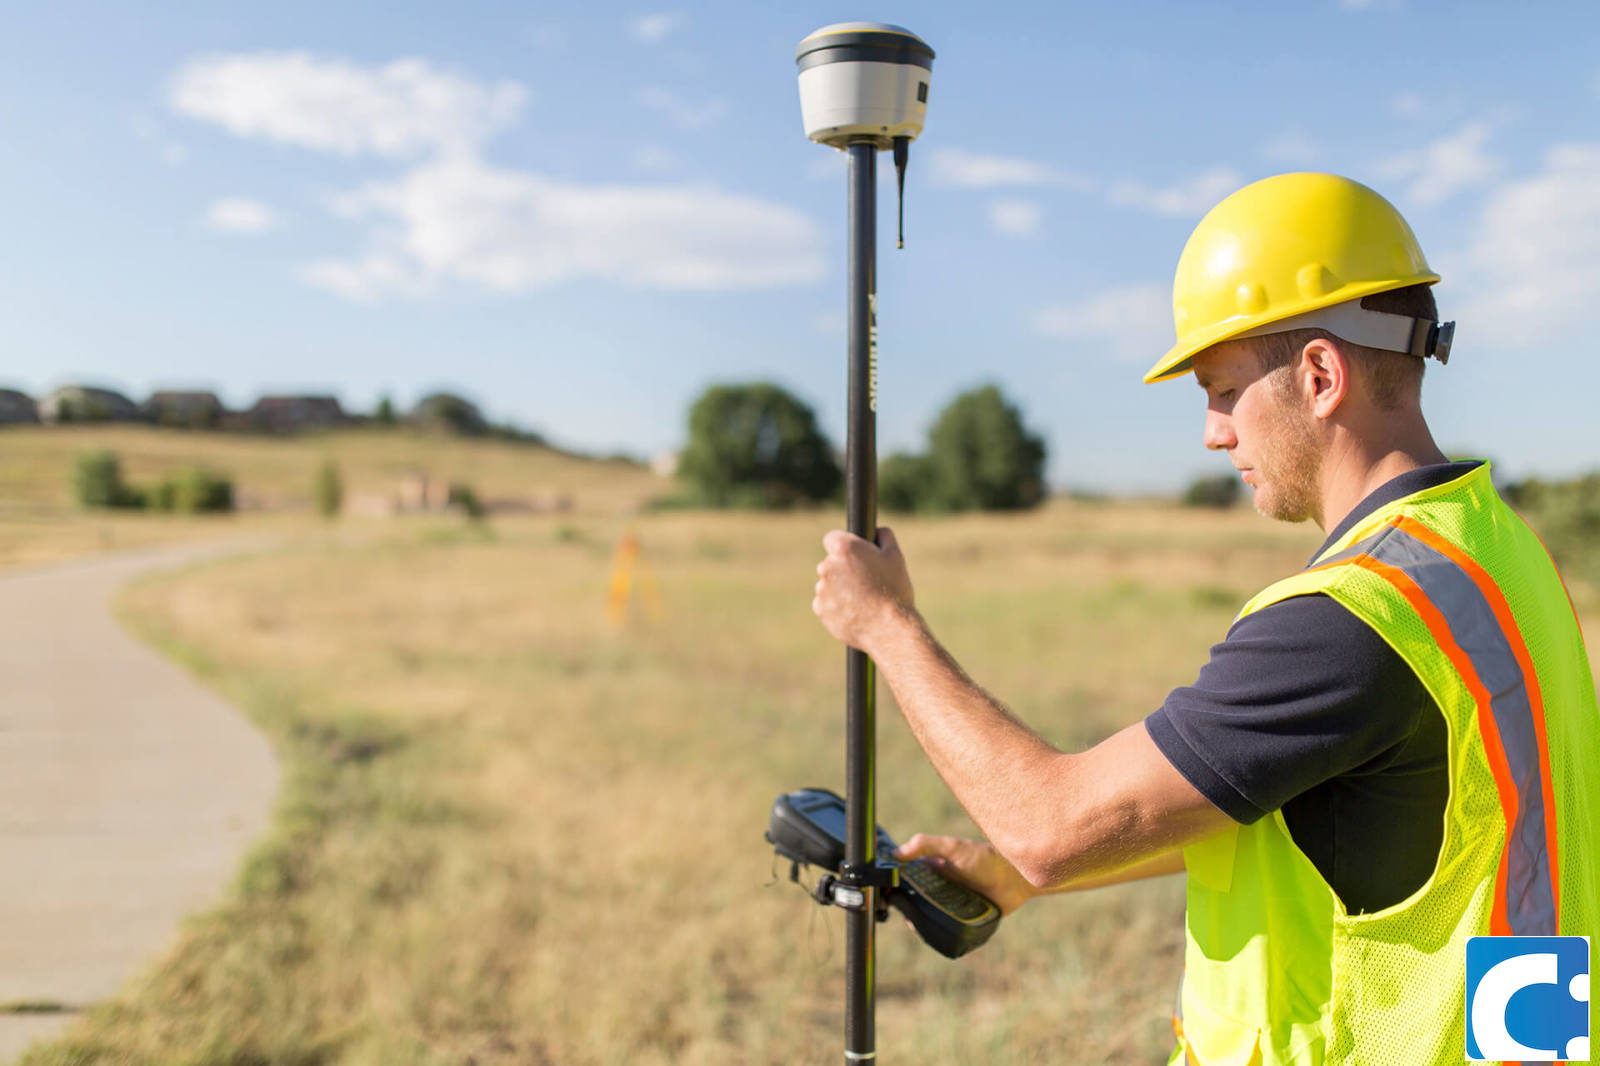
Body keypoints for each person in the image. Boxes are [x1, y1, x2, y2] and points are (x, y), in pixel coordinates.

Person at [811, 172, 1598, 1065]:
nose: (1214, 434)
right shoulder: (1497, 553)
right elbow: (1317, 809)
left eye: (1221, 390)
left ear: (1319, 374)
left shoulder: (1350, 620)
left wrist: (887, 626)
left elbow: (1049, 829)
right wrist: (1007, 878)